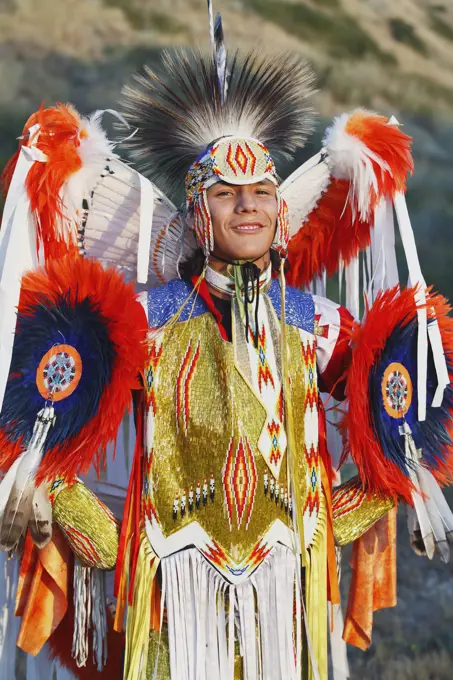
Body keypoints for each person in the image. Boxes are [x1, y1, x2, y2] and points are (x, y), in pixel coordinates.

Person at [0, 7, 452, 680]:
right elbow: (51, 438)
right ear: (193, 213)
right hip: (167, 607)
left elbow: (396, 425)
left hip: (288, 608)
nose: (248, 204)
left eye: (263, 191)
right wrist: (54, 499)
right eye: (226, 193)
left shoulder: (319, 324)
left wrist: (389, 487)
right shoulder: (138, 321)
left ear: (280, 211)